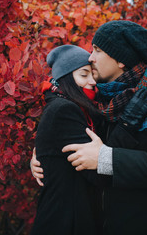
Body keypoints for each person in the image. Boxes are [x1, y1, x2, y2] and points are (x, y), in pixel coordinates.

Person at [31, 20, 147, 235]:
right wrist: (46, 158)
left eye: (98, 50)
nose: (90, 57)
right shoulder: (98, 102)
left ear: (121, 61)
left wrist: (107, 159)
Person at [30, 45, 103, 235]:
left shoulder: (67, 106)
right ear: (67, 79)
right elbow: (93, 171)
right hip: (65, 221)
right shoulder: (64, 109)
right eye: (84, 75)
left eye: (93, 75)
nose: (92, 81)